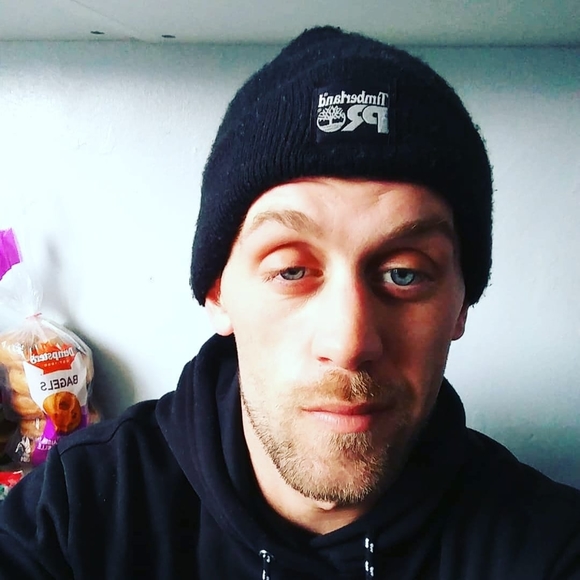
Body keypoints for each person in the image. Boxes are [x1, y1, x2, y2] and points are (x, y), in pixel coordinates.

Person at [0, 25, 579, 580]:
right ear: (217, 293)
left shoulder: (549, 546)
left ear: (461, 304)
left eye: (404, 274)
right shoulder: (73, 515)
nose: (349, 341)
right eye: (291, 270)